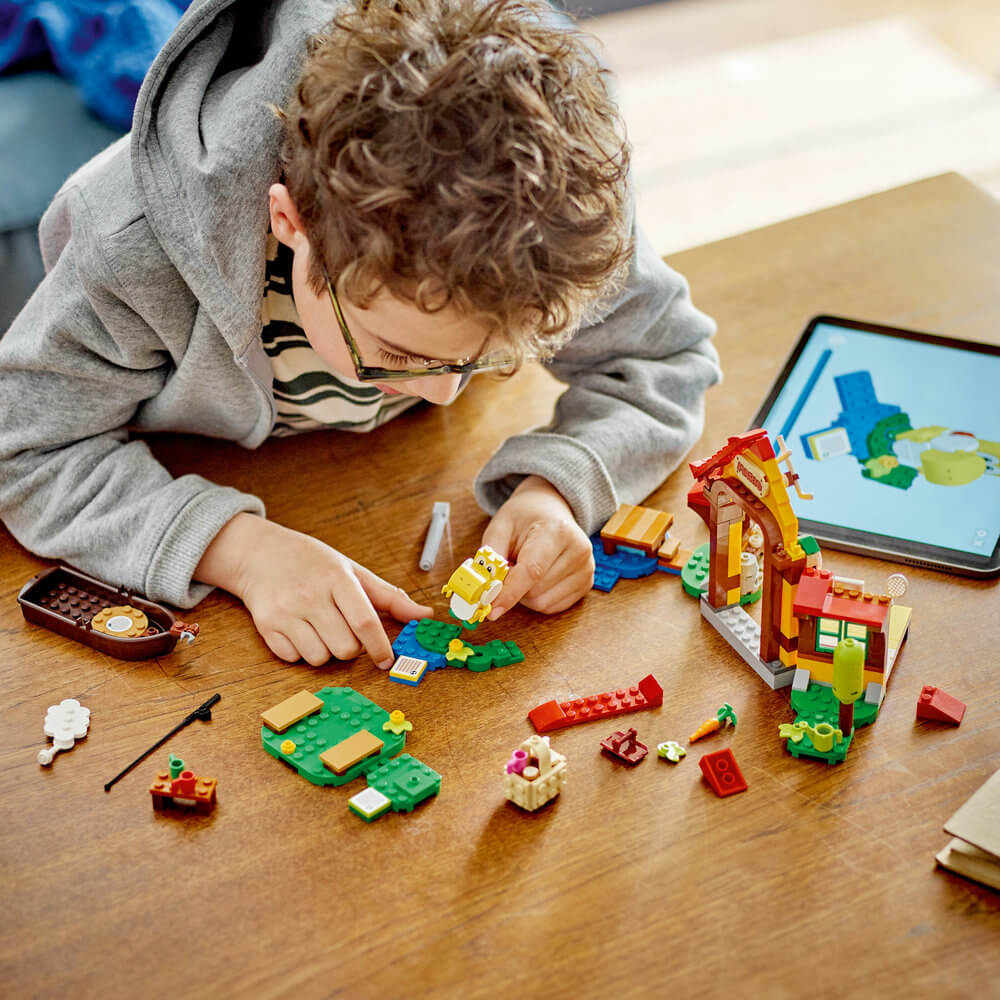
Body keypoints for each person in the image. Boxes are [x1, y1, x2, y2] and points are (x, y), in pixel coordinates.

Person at [0, 0, 721, 669]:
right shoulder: (132, 244)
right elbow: (24, 447)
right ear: (290, 225)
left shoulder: (555, 224)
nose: (443, 396)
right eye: (399, 353)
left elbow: (665, 355)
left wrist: (558, 487)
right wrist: (240, 553)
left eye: (487, 359)